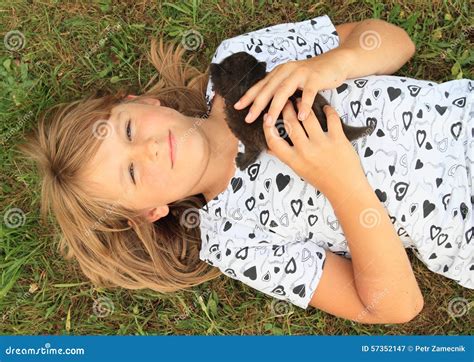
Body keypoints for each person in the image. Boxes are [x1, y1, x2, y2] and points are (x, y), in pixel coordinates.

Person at [17, 15, 472, 325]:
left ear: (140, 101)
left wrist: (330, 65)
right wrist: (343, 183)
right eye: (132, 174)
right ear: (150, 212)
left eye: (131, 129)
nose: (151, 150)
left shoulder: (237, 62)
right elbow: (392, 306)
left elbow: (392, 40)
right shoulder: (234, 240)